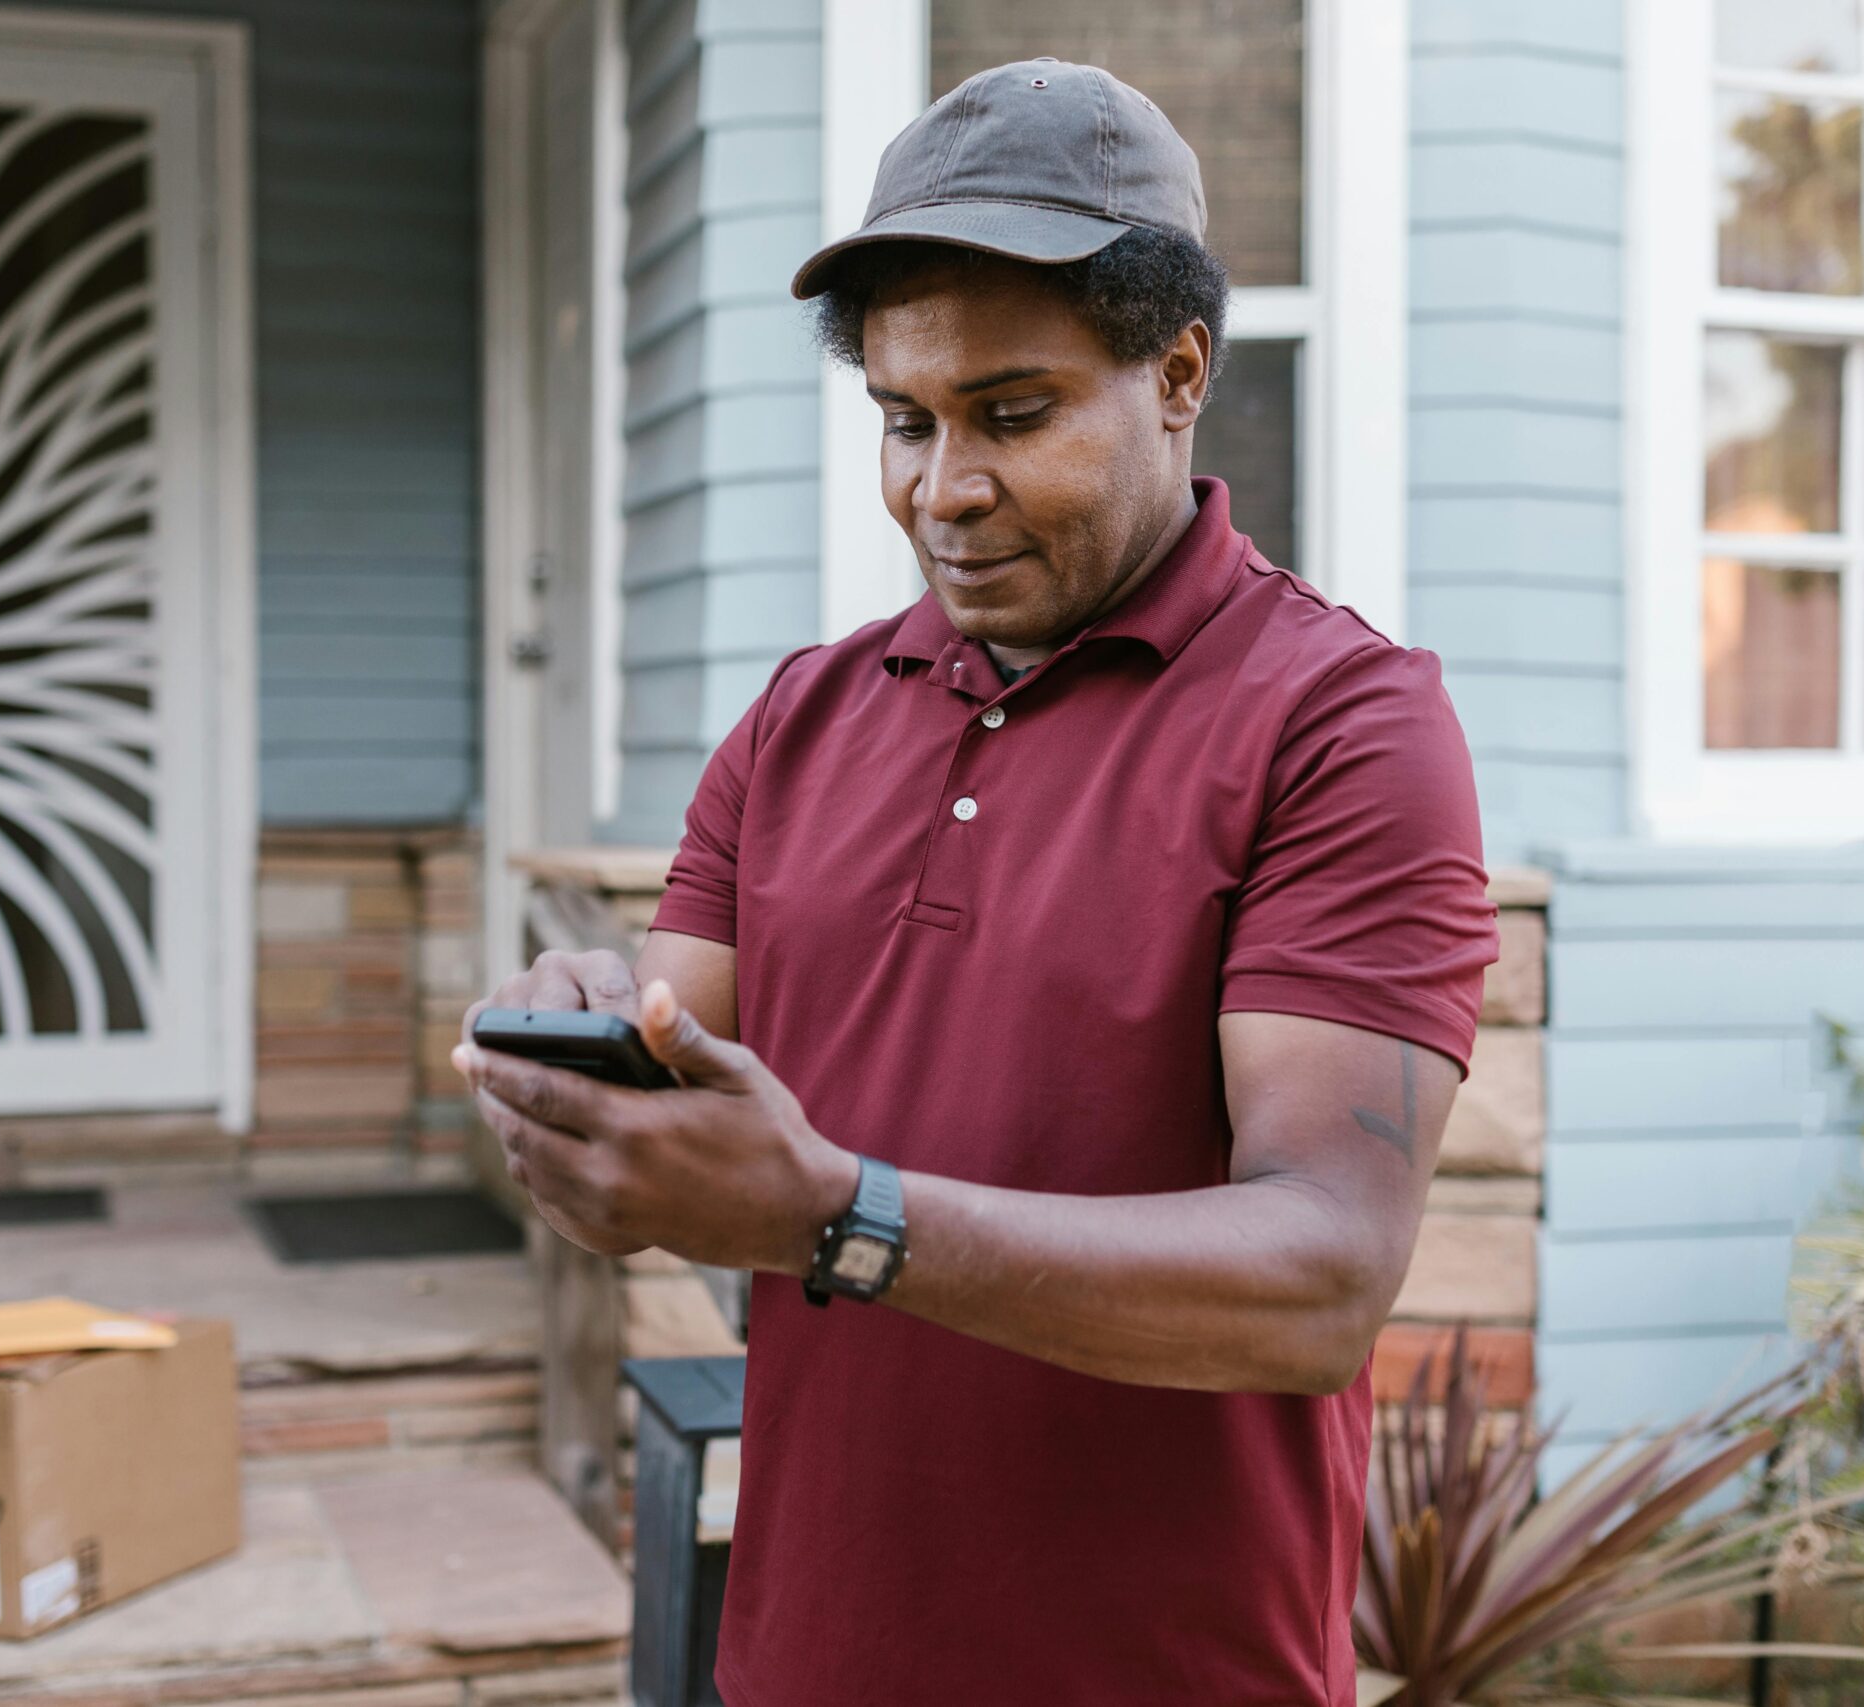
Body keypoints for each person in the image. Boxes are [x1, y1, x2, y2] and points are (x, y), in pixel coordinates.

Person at [455, 58, 1497, 1705]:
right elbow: (674, 1126)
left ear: (1178, 372)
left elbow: (1319, 1279)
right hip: (794, 1666)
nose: (943, 488)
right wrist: (577, 1075)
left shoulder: (1341, 725)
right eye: (903, 420)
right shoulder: (796, 721)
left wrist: (836, 1218)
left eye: (1013, 415)